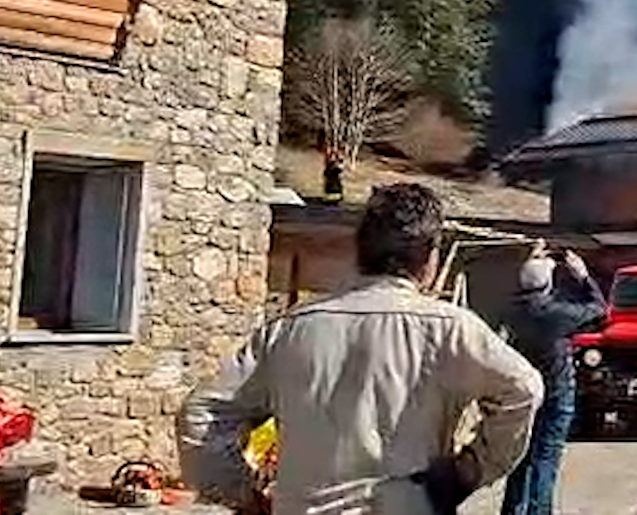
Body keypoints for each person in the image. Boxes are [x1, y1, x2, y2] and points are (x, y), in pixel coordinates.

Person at [178, 183, 543, 515]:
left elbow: (201, 415)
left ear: (359, 250)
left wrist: (243, 492)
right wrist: (469, 471)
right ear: (430, 257)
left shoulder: (288, 330)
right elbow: (523, 389)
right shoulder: (450, 330)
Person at [500, 244, 608, 515]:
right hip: (555, 394)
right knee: (545, 459)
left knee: (522, 460)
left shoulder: (513, 312)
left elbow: (525, 288)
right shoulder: (555, 313)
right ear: (548, 285)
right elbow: (598, 309)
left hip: (522, 395)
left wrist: (532, 264)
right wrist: (582, 276)